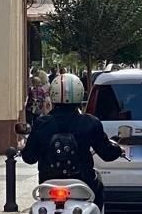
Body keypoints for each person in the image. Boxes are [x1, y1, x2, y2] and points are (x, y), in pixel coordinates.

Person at [20, 72, 125, 201]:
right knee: (98, 189)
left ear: (53, 94)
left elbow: (29, 157)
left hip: (48, 184)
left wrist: (25, 147)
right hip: (82, 183)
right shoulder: (90, 123)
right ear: (80, 94)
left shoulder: (41, 124)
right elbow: (106, 153)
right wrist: (118, 149)